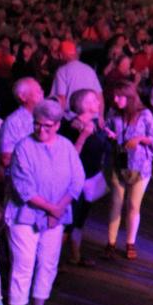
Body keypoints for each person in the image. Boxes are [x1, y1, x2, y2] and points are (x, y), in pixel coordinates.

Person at [5, 99, 84, 305]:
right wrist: (52, 208)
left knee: (48, 262)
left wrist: (58, 208)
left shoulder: (66, 147)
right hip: (25, 216)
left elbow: (76, 180)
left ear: (58, 125)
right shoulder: (24, 147)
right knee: (24, 263)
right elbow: (24, 188)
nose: (41, 130)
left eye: (47, 126)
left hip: (55, 216)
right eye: (38, 125)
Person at [103, 82, 153, 261]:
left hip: (140, 166)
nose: (116, 100)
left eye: (120, 96)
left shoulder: (144, 115)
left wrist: (141, 139)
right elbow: (106, 128)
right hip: (118, 162)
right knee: (116, 202)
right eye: (115, 96)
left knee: (134, 205)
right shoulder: (113, 113)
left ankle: (130, 242)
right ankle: (110, 243)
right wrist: (109, 134)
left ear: (129, 98)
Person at [61, 90, 108, 266]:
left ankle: (75, 255)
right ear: (85, 105)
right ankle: (53, 261)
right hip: (76, 180)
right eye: (94, 100)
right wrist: (84, 135)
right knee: (69, 221)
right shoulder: (73, 127)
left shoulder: (95, 124)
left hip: (91, 179)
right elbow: (71, 155)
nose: (98, 102)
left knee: (80, 219)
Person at [49, 40, 102, 111]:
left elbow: (61, 98)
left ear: (61, 55)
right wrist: (100, 116)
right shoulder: (89, 69)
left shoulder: (62, 71)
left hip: (72, 117)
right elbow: (99, 95)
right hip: (92, 117)